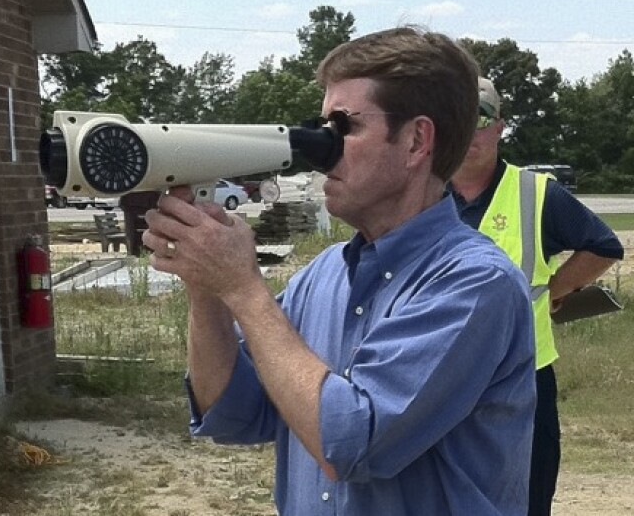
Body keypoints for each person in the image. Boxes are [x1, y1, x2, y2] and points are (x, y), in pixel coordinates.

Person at [143, 27, 537, 515]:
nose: (321, 148)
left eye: (343, 127)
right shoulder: (324, 275)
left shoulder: (475, 283)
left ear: (416, 141)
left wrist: (243, 290)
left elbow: (354, 442)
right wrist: (205, 286)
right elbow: (234, 414)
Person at [449, 77, 624, 516]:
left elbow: (603, 246)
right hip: (438, 376)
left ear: (499, 127)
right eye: (458, 119)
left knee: (526, 497)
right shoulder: (419, 194)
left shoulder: (535, 193)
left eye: (481, 119)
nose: (470, 132)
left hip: (522, 376)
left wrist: (557, 289)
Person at [119, 191, 161, 256]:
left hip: (134, 206)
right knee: (133, 234)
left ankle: (135, 251)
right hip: (139, 207)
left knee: (133, 234)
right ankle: (136, 251)